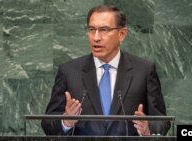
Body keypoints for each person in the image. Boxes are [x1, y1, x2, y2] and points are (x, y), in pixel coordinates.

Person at [41, 4, 170, 136]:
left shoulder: (144, 71)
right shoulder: (69, 72)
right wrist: (66, 121)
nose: (96, 37)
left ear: (122, 34)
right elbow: (48, 122)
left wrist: (148, 130)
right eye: (91, 29)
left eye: (104, 30)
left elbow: (161, 120)